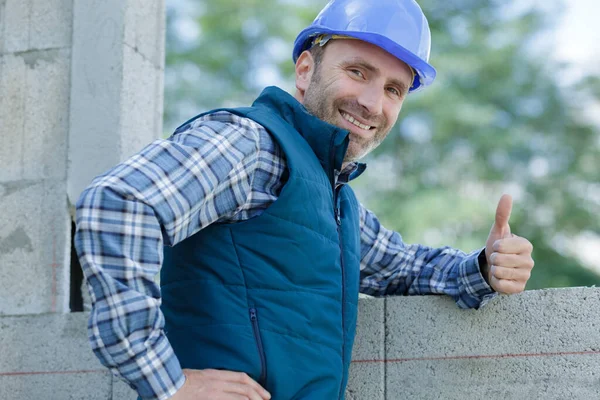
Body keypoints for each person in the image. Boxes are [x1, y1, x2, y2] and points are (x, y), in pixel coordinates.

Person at [74, 0, 535, 399]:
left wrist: (484, 268)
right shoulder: (252, 146)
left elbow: (404, 267)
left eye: (393, 89)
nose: (374, 103)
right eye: (358, 72)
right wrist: (165, 381)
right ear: (305, 69)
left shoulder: (337, 202)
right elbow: (117, 203)